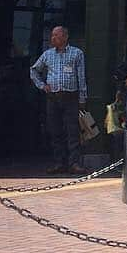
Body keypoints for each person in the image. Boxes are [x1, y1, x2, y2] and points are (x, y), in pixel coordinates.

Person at [30, 26, 87, 174]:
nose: (53, 38)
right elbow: (34, 70)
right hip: (53, 97)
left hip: (71, 97)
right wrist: (42, 85)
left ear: (65, 37)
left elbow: (81, 77)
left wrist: (82, 98)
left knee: (72, 131)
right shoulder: (47, 55)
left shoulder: (76, 53)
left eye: (56, 35)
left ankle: (74, 163)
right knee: (55, 130)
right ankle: (58, 162)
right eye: (52, 35)